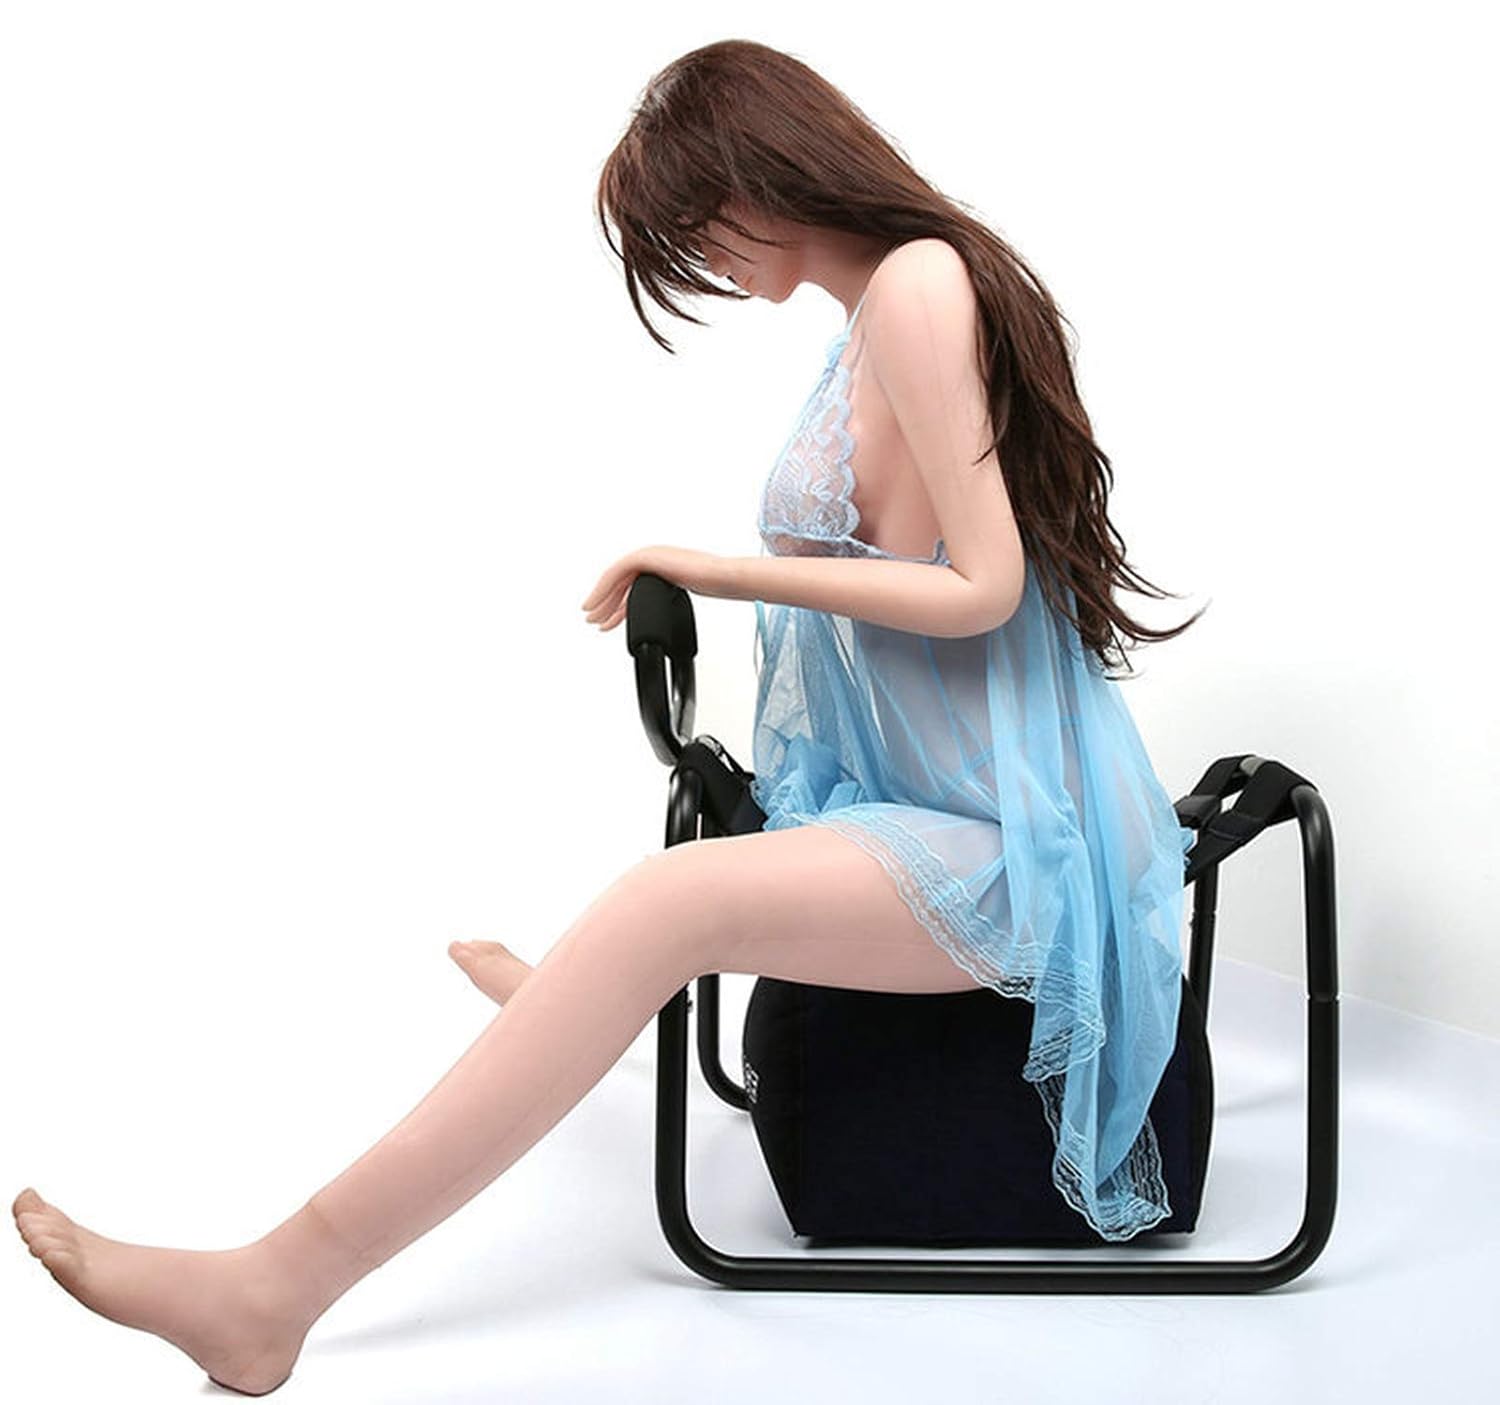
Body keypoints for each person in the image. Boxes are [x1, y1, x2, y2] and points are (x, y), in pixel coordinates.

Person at [13, 38, 1205, 1396]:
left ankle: (270, 1291)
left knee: (662, 903)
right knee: (653, 912)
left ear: (758, 175)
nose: (703, 263)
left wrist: (713, 568)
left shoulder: (921, 285)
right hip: (953, 812)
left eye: (695, 227)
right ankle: (579, 1006)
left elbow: (984, 589)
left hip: (1031, 850)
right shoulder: (871, 315)